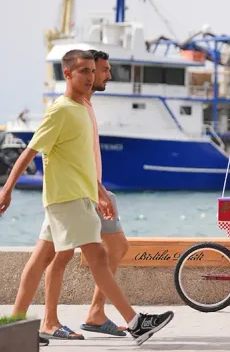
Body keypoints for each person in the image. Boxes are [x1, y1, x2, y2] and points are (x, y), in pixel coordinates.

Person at [0, 49, 173, 346]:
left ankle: (13, 326)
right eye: (84, 71)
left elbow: (81, 163)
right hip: (68, 199)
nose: (90, 77)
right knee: (98, 258)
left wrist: (101, 193)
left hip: (75, 197)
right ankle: (135, 322)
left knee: (42, 259)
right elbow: (30, 151)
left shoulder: (81, 108)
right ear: (67, 74)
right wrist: (7, 189)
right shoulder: (61, 110)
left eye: (93, 71)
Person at [37, 49, 131, 339]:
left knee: (107, 249)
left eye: (98, 72)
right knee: (62, 256)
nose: (104, 76)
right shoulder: (71, 105)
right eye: (102, 70)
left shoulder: (85, 105)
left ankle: (89, 314)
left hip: (90, 190)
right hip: (78, 194)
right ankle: (57, 319)